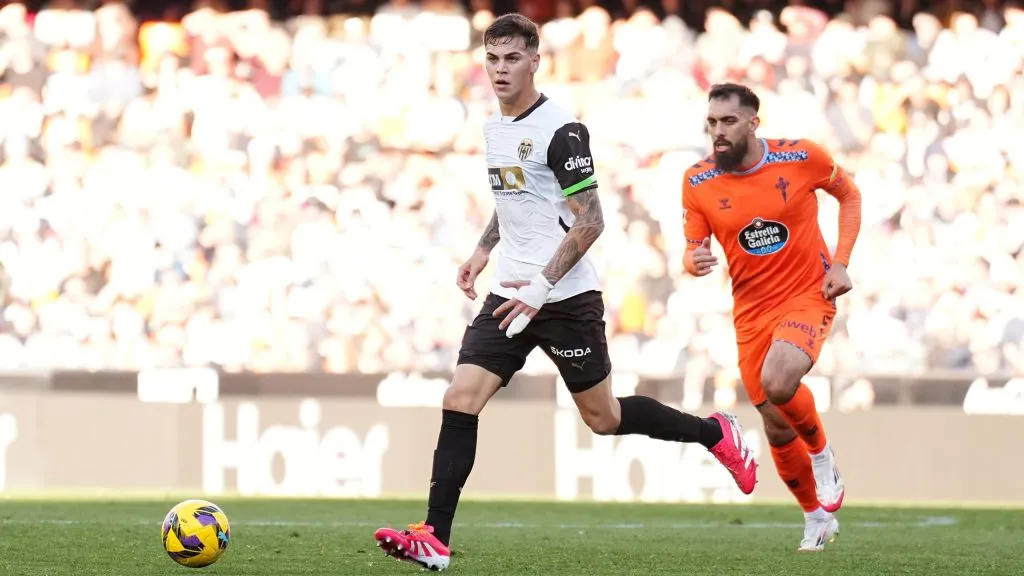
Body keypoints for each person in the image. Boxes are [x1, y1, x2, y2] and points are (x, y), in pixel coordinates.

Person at [373, 14, 758, 572]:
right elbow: (518, 200)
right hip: (511, 292)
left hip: (565, 297)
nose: (501, 70)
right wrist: (483, 251)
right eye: (493, 59)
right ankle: (434, 536)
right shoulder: (492, 128)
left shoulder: (561, 130)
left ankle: (714, 432)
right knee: (460, 398)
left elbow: (591, 219)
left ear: (535, 60)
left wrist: (542, 284)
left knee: (602, 417)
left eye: (512, 59)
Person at [682, 83, 862, 552]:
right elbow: (693, 247)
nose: (718, 132)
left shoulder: (801, 157)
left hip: (808, 293)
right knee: (777, 425)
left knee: (781, 382)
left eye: (728, 122)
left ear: (752, 123)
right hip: (750, 311)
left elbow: (851, 197)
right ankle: (815, 518)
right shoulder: (697, 180)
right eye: (712, 123)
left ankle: (823, 457)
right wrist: (693, 260)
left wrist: (841, 261)